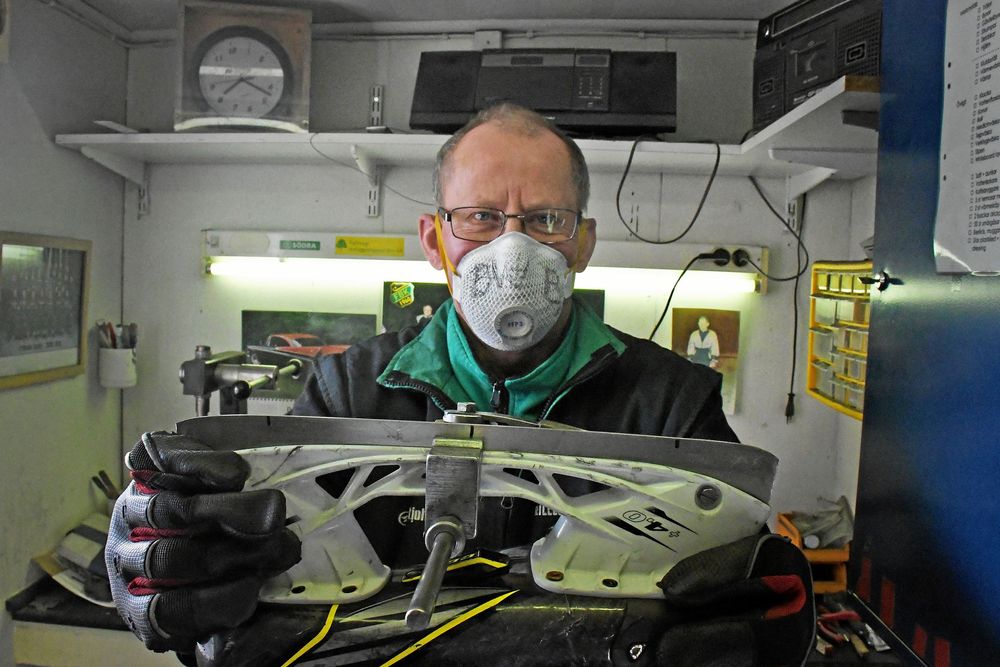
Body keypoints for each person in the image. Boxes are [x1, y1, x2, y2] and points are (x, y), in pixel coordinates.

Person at [106, 103, 813, 666]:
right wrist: (181, 569)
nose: (513, 247)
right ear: (435, 237)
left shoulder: (673, 399)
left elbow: (731, 588)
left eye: (544, 219)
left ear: (584, 242)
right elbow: (261, 588)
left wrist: (770, 606)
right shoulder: (345, 390)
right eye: (480, 217)